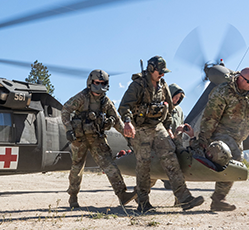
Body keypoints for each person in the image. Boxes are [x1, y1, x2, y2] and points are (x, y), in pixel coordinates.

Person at [119, 56, 204, 212]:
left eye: (164, 72)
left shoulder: (163, 85)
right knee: (143, 165)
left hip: (158, 127)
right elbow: (124, 107)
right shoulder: (137, 85)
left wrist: (169, 128)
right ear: (151, 69)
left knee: (171, 158)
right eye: (160, 72)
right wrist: (127, 122)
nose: (162, 75)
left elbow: (169, 110)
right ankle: (143, 203)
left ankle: (184, 198)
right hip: (141, 128)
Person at [196, 67, 249, 211]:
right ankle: (219, 199)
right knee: (233, 158)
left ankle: (218, 200)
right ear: (240, 78)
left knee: (234, 164)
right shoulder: (223, 92)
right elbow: (210, 117)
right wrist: (203, 139)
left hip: (238, 138)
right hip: (220, 134)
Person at [64, 69, 139, 208]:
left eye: (102, 83)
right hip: (79, 138)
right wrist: (69, 130)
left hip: (96, 138)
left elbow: (116, 120)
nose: (99, 86)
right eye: (97, 82)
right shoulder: (81, 97)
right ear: (90, 82)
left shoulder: (105, 101)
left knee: (110, 165)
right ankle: (73, 197)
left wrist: (128, 136)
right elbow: (65, 110)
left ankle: (122, 195)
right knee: (77, 167)